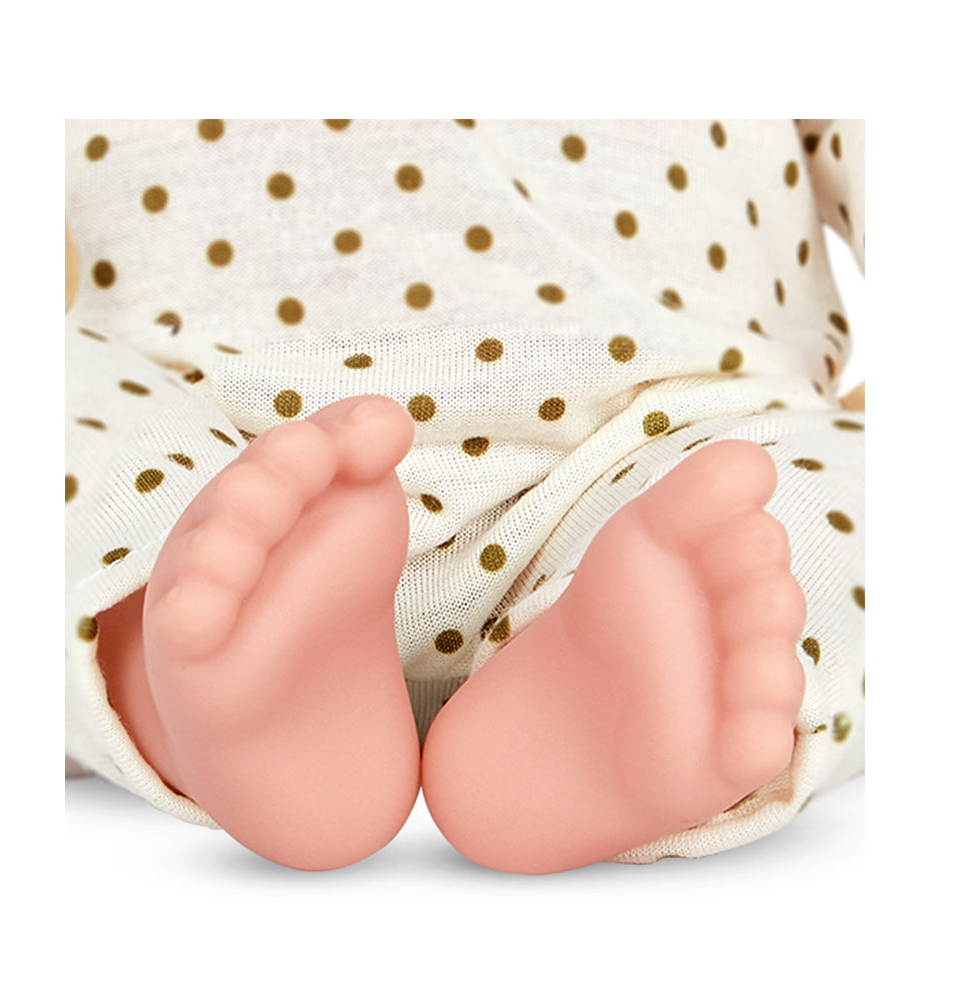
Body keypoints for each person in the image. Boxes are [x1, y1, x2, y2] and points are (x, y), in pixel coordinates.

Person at [65, 119, 864, 873]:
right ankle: (164, 683)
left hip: (675, 452)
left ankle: (603, 726)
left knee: (783, 502)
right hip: (211, 454)